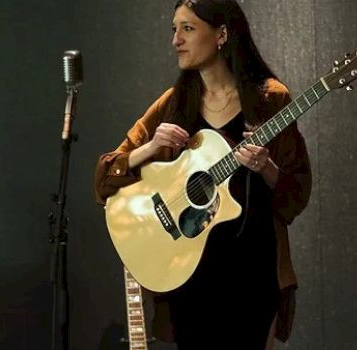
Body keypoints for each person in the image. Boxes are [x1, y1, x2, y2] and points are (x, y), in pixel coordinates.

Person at [95, 0, 312, 349]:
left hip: (252, 273)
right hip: (188, 273)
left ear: (222, 34)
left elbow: (297, 194)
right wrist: (148, 149)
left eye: (188, 28)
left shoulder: (270, 99)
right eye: (174, 29)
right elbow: (105, 177)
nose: (176, 40)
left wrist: (266, 167)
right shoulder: (175, 103)